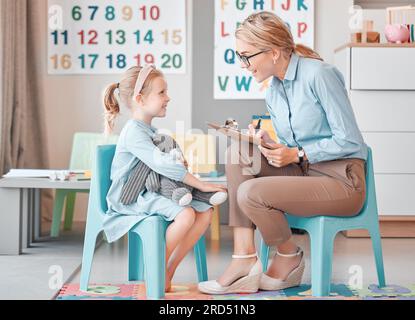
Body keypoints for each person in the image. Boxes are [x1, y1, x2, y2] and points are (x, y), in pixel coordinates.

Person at [198, 11, 367, 294]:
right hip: (305, 174)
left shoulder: (320, 75)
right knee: (239, 152)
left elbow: (350, 141)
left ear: (274, 52)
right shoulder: (273, 90)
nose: (243, 65)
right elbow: (291, 147)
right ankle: (244, 259)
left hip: (342, 181)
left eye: (246, 56)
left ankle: (289, 255)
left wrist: (298, 154)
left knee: (250, 192)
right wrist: (271, 145)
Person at [102, 65, 227, 291]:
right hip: (130, 197)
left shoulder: (149, 130)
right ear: (140, 99)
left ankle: (168, 271)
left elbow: (164, 163)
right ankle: (156, 268)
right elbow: (162, 164)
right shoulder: (133, 132)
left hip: (149, 192)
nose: (168, 97)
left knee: (205, 211)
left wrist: (180, 163)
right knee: (186, 213)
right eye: (161, 93)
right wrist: (200, 184)